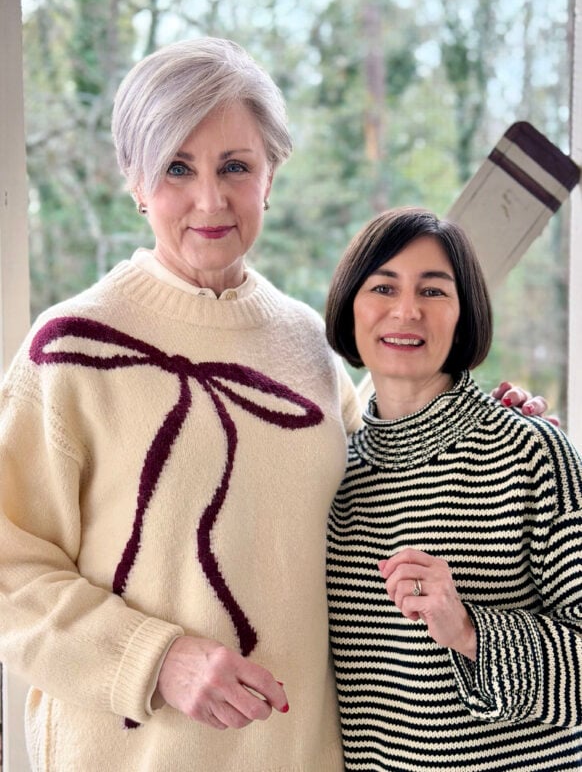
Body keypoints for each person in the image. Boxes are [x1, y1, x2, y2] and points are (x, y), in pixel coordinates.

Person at [0, 39, 547, 772]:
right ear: (134, 179)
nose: (210, 199)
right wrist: (154, 659)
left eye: (235, 166)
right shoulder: (68, 352)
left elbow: (376, 491)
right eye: (176, 168)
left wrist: (485, 420)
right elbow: (10, 570)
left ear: (271, 176)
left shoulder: (310, 347)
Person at [325, 206, 582, 771]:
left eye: (434, 291)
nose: (407, 310)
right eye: (383, 286)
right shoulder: (333, 474)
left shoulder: (532, 453)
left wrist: (470, 631)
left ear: (464, 317)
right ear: (351, 309)